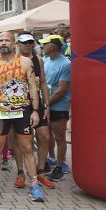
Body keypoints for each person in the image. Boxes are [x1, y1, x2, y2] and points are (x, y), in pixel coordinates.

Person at [0, 31, 45, 202]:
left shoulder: (25, 62)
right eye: (0, 40)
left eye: (7, 40)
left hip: (22, 111)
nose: (3, 43)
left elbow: (33, 87)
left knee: (27, 148)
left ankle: (34, 185)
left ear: (14, 43)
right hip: (0, 111)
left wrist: (35, 110)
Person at [16, 33, 55, 190]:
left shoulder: (38, 59)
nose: (28, 45)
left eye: (31, 42)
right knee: (20, 140)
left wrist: (47, 105)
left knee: (44, 136)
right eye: (25, 42)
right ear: (18, 43)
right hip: (18, 103)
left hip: (36, 102)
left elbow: (43, 83)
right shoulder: (14, 60)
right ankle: (20, 172)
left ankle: (40, 172)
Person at [41, 34, 71, 181]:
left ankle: (60, 165)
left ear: (51, 46)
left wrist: (46, 103)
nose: (42, 47)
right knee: (46, 135)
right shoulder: (46, 61)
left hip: (59, 106)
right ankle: (51, 158)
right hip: (46, 104)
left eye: (44, 44)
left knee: (60, 137)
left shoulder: (66, 64)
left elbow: (61, 90)